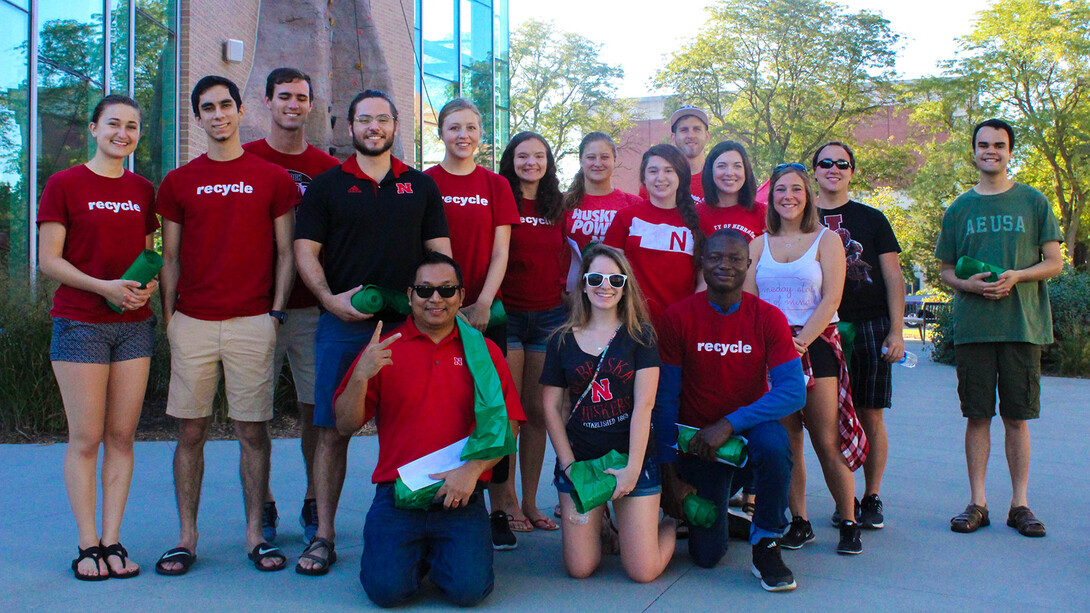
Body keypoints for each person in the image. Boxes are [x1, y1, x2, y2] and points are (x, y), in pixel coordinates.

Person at [294, 89, 451, 574]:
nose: (374, 127)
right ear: (349, 127)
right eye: (365, 120)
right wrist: (328, 300)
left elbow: (440, 254)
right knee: (332, 431)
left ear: (396, 126)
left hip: (409, 327)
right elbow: (305, 252)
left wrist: (437, 306)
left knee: (409, 429)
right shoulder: (326, 187)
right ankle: (323, 536)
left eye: (383, 119)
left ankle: (411, 531)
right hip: (343, 325)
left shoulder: (420, 186)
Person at [155, 75, 298, 574]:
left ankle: (257, 535)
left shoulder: (272, 178)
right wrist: (170, 318)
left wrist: (276, 311)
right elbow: (169, 257)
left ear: (241, 111)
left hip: (253, 321)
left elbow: (286, 253)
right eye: (207, 108)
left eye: (225, 105)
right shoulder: (178, 181)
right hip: (192, 321)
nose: (217, 114)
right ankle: (186, 538)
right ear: (197, 117)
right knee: (190, 432)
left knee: (252, 433)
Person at [334, 251, 525, 607]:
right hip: (398, 496)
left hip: (460, 493)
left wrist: (471, 471)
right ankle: (420, 556)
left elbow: (508, 424)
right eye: (424, 290)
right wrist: (361, 374)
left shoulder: (485, 352)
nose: (435, 298)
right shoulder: (384, 350)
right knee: (386, 592)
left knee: (468, 592)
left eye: (446, 290)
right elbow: (345, 423)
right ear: (409, 296)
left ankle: (438, 555)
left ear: (461, 296)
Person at [38, 94, 159, 581]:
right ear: (93, 128)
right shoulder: (64, 184)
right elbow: (49, 259)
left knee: (122, 437)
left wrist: (144, 287)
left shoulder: (144, 189)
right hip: (80, 323)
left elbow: (147, 252)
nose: (123, 133)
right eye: (113, 124)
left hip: (133, 327)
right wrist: (102, 287)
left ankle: (113, 540)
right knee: (86, 438)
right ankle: (87, 545)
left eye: (132, 126)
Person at [655, 229, 804, 591]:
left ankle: (767, 541)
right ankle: (725, 515)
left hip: (744, 435)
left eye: (735, 259)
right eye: (716, 257)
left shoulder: (768, 318)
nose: (726, 265)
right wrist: (670, 477)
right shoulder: (677, 318)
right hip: (698, 444)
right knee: (706, 557)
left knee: (774, 442)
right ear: (702, 263)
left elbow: (792, 392)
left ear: (749, 265)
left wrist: (730, 423)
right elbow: (664, 400)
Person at [935, 118, 1062, 538]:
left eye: (999, 145)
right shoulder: (959, 208)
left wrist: (1018, 275)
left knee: (1016, 418)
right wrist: (965, 284)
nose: (991, 150)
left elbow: (1054, 262)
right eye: (983, 144)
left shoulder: (1034, 201)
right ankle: (978, 503)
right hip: (974, 328)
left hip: (1021, 326)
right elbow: (945, 269)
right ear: (974, 151)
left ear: (1010, 151)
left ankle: (1019, 505)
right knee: (976, 417)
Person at [743, 163, 865, 555]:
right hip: (770, 352)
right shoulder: (758, 244)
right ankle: (799, 520)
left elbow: (832, 297)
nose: (788, 197)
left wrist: (799, 343)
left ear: (807, 195)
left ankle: (848, 520)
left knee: (825, 439)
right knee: (787, 441)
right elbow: (748, 303)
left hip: (815, 346)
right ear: (771, 197)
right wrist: (774, 347)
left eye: (796, 189)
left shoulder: (826, 240)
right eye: (780, 190)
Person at [243, 67, 340, 545]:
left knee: (313, 413)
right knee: (254, 415)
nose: (293, 104)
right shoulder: (245, 160)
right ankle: (261, 505)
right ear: (267, 101)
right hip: (251, 307)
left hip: (309, 310)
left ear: (310, 104)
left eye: (302, 97)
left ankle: (310, 500)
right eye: (284, 96)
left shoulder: (326, 168)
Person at [540, 244, 675, 582]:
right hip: (582, 461)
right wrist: (569, 465)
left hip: (630, 456)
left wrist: (632, 469)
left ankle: (673, 521)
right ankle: (602, 522)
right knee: (581, 568)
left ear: (625, 285)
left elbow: (645, 406)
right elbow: (550, 407)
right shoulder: (561, 340)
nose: (606, 286)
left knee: (643, 571)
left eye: (615, 279)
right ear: (583, 284)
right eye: (596, 278)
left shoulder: (639, 336)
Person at [423, 97, 521, 549]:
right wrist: (441, 302)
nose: (463, 135)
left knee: (492, 409)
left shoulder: (496, 184)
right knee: (446, 408)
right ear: (441, 132)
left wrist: (482, 303)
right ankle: (443, 500)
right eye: (454, 127)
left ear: (482, 135)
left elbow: (501, 251)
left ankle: (498, 506)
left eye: (472, 128)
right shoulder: (425, 183)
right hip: (436, 313)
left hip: (486, 314)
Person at [813, 140, 904, 529]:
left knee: (870, 414)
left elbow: (893, 277)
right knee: (825, 420)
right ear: (814, 170)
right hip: (820, 329)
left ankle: (871, 496)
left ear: (852, 171)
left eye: (842, 163)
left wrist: (897, 330)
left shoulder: (872, 218)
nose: (834, 168)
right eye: (826, 162)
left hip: (869, 325)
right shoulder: (799, 216)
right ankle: (843, 497)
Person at [496, 131, 567, 532]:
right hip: (508, 315)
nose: (531, 163)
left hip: (549, 316)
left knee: (539, 412)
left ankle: (530, 501)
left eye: (539, 156)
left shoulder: (556, 206)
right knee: (510, 415)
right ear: (511, 160)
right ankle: (503, 501)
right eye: (523, 156)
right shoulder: (500, 195)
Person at [604, 144, 704, 328]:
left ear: (680, 176)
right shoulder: (626, 218)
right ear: (644, 177)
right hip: (632, 326)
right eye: (653, 171)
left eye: (669, 170)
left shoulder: (698, 222)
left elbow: (703, 278)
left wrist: (692, 317)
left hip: (680, 327)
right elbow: (607, 273)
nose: (660, 178)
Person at [562, 132, 642, 257]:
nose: (598, 163)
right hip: (573, 276)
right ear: (580, 161)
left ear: (614, 160)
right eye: (591, 157)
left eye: (604, 157)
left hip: (615, 276)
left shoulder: (634, 204)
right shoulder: (563, 202)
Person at [639, 105, 710, 204]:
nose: (691, 135)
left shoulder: (719, 178)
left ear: (707, 136)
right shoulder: (656, 182)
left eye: (697, 129)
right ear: (673, 137)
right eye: (684, 130)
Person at [699, 141, 766, 242]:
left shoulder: (762, 213)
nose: (730, 173)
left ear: (746, 171)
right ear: (710, 170)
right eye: (721, 166)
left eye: (737, 166)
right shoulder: (696, 214)